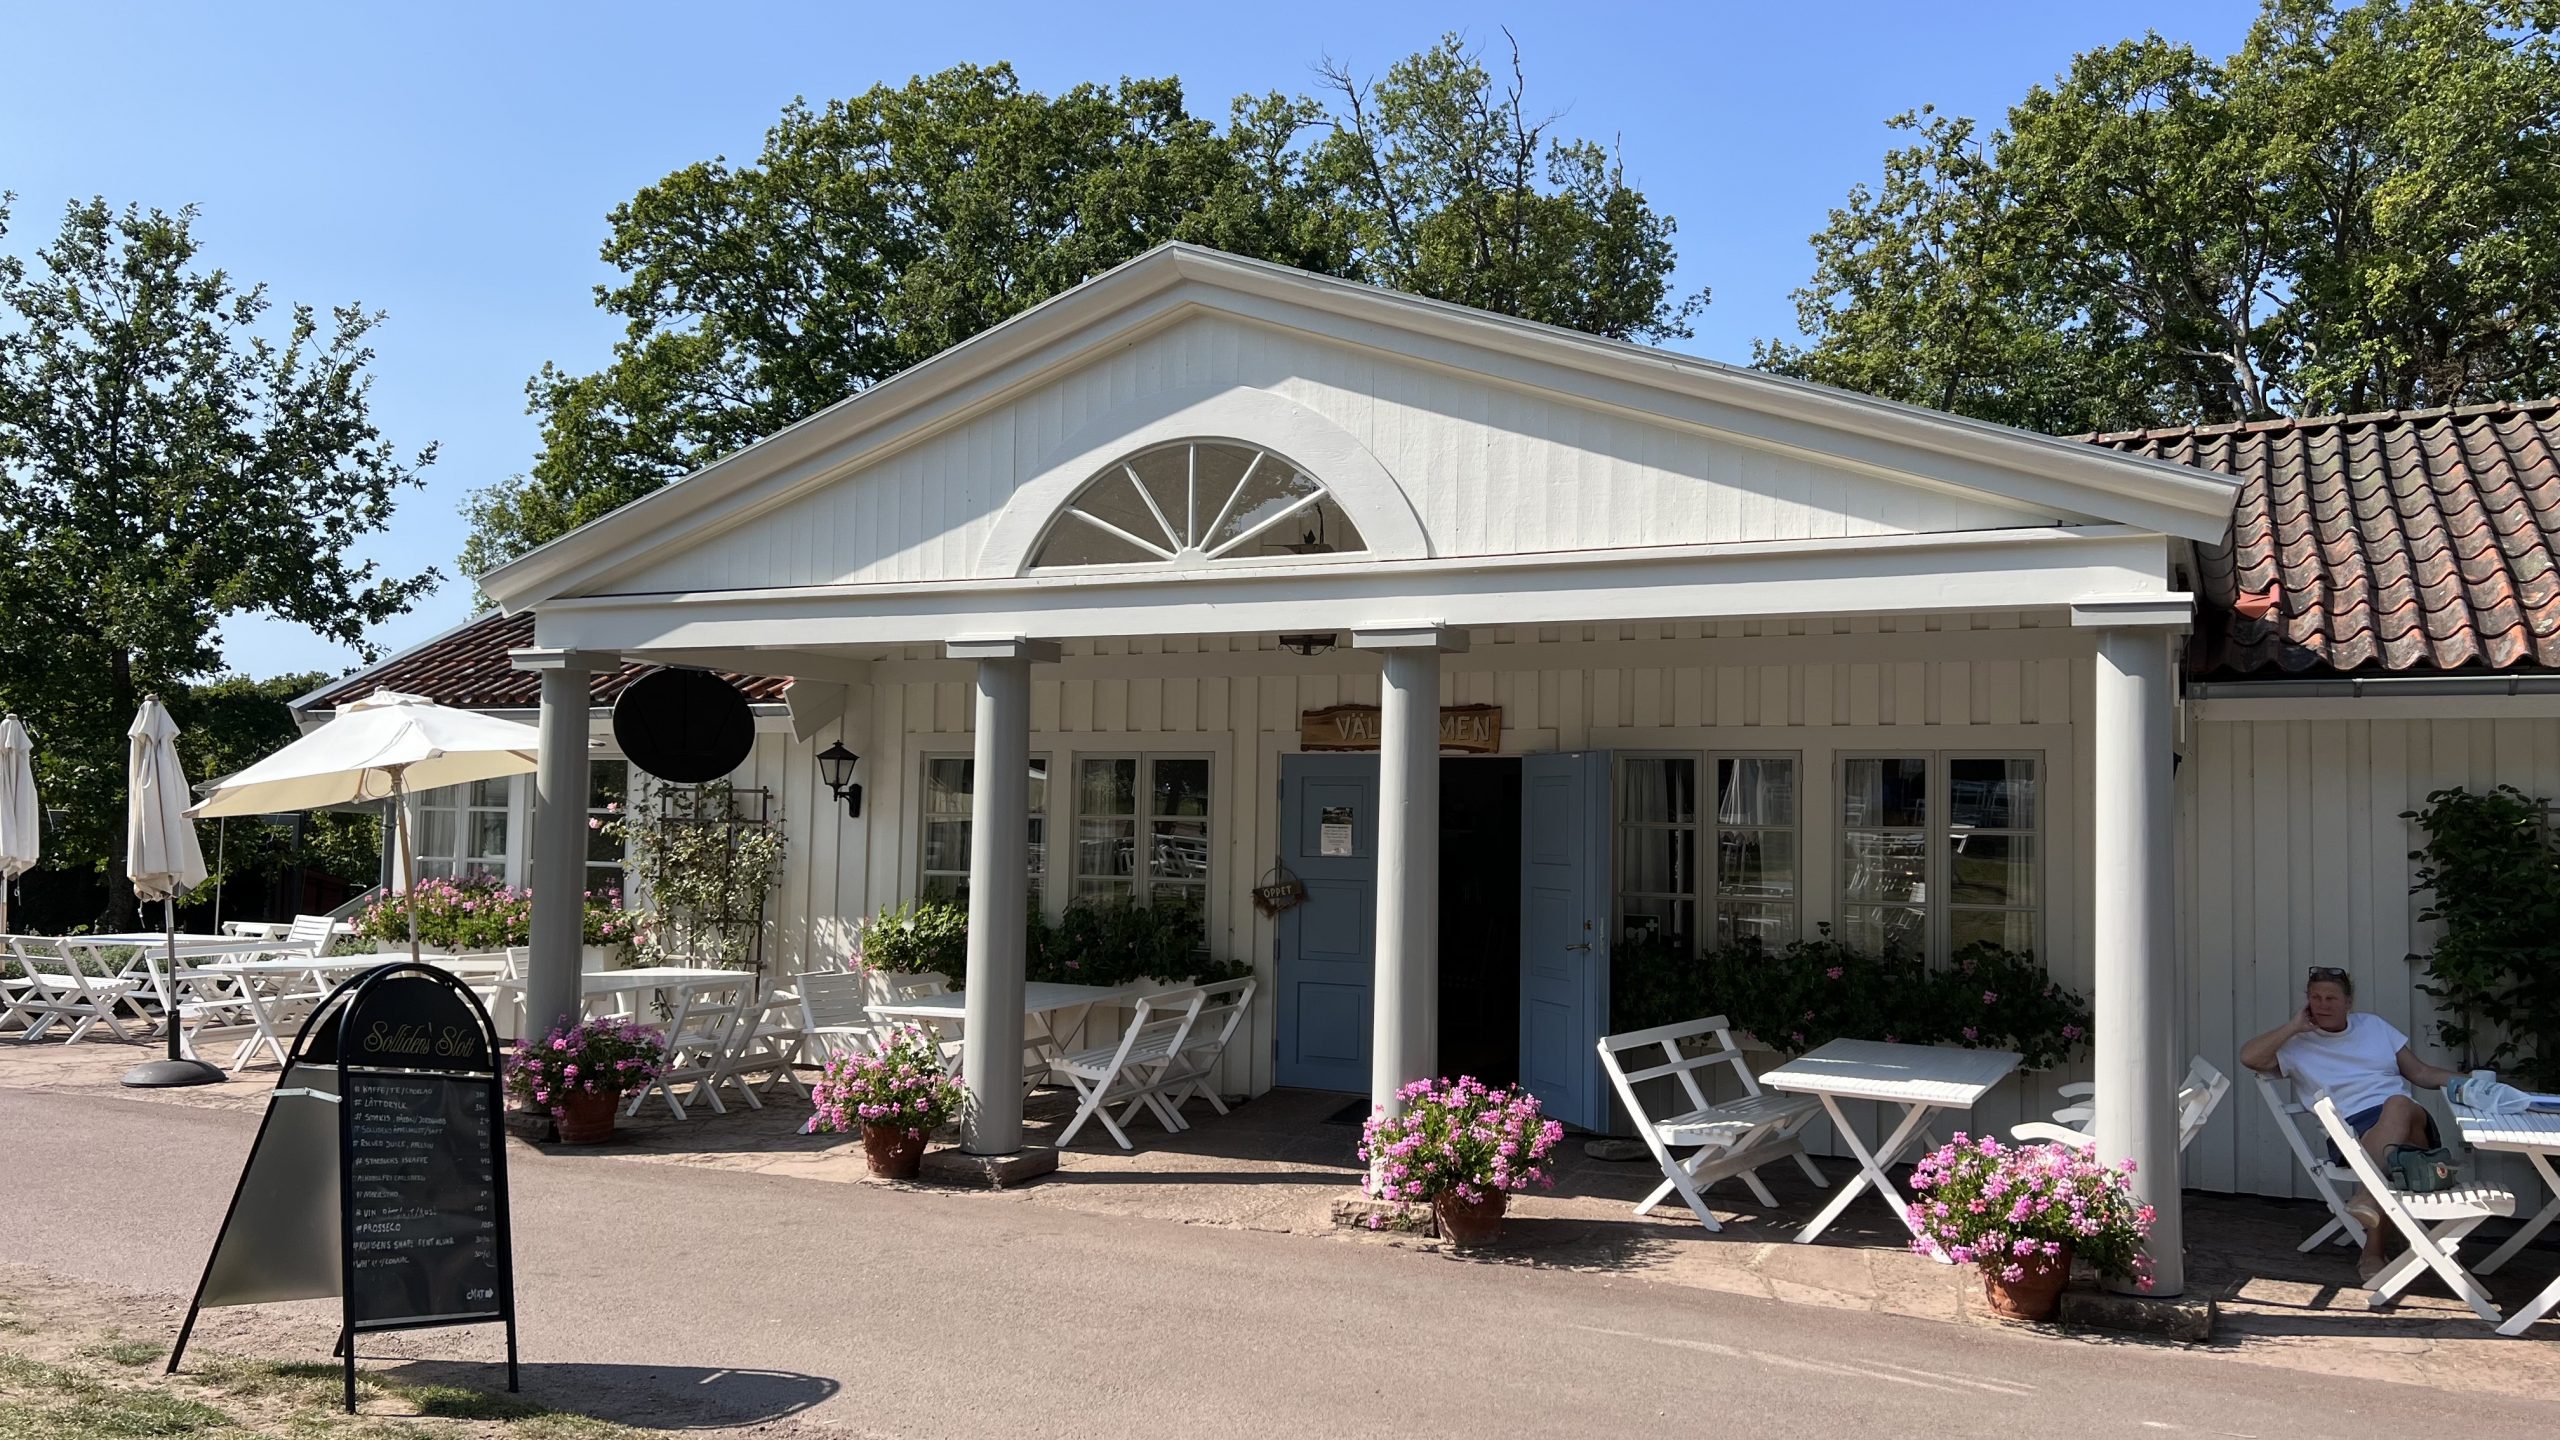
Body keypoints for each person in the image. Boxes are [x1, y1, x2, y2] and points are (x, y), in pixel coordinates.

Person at [2239, 966, 2463, 1280]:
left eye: (2331, 997)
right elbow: (2249, 1057)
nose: (2322, 1004)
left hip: (2405, 1117)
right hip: (2350, 1135)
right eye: (2315, 997)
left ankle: (2370, 1226)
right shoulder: (2299, 1043)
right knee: (2394, 1158)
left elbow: (2422, 1074)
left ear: (2348, 1002)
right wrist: (2292, 1027)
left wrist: (2469, 1081)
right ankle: (2379, 1227)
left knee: (2399, 1105)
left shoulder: (2374, 1027)